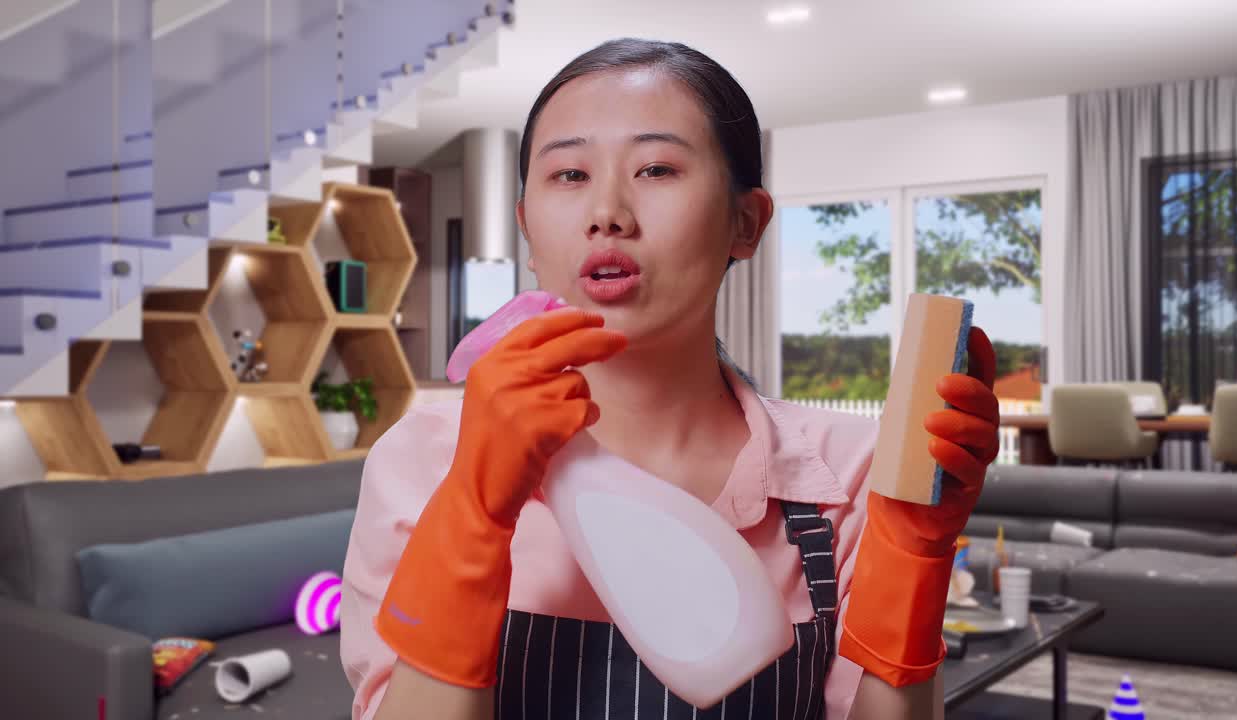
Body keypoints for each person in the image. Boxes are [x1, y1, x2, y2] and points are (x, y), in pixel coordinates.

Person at [340, 38, 1001, 720]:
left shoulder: (850, 474)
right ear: (527, 230)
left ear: (745, 222)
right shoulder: (424, 461)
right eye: (569, 174)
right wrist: (473, 513)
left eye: (656, 168)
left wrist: (911, 563)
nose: (607, 212)